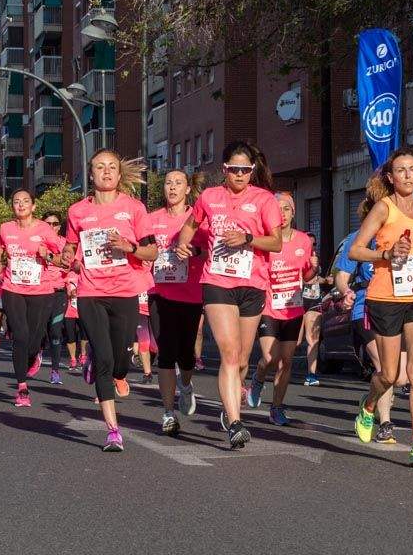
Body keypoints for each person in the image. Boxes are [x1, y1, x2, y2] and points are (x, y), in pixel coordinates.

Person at [176, 141, 282, 449]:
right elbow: (190, 225)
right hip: (217, 281)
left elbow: (275, 243)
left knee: (242, 362)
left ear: (252, 171)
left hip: (252, 284)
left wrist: (248, 239)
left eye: (245, 170)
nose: (239, 174)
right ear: (224, 169)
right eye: (233, 169)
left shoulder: (264, 200)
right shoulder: (210, 197)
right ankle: (236, 423)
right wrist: (184, 244)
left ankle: (230, 402)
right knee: (230, 354)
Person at [62, 149, 158, 452]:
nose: (106, 172)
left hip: (125, 291)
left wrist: (128, 247)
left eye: (112, 167)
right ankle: (113, 430)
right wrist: (67, 256)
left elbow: (152, 253)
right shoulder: (77, 211)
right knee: (104, 359)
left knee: (119, 360)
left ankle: (116, 373)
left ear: (119, 174)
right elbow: (69, 249)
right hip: (91, 293)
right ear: (90, 174)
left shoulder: (134, 208)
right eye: (100, 167)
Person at [349, 147, 413, 465]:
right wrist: (386, 256)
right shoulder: (383, 209)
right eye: (401, 170)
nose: (407, 175)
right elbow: (356, 251)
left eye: (412, 169)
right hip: (386, 297)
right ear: (390, 176)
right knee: (389, 374)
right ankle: (370, 404)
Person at [247, 191, 317, 426]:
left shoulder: (303, 241)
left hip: (293, 309)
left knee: (285, 361)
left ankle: (276, 408)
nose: (282, 214)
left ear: (293, 212)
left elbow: (307, 276)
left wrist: (314, 270)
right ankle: (258, 378)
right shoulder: (266, 240)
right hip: (268, 306)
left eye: (286, 209)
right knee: (269, 357)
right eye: (277, 209)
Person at [333, 200, 399, 444]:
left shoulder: (402, 236)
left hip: (397, 307)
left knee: (399, 376)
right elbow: (342, 276)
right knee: (384, 366)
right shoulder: (357, 239)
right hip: (366, 306)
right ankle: (385, 424)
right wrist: (345, 292)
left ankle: (369, 402)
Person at [146, 169, 205, 435]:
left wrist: (192, 251)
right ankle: (168, 413)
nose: (172, 188)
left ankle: (187, 385)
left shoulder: (198, 219)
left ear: (187, 189)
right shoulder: (152, 219)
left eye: (178, 183)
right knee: (166, 353)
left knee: (186, 354)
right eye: (168, 183)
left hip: (191, 294)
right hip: (159, 293)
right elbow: (144, 249)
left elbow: (209, 250)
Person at [0, 190, 65, 407]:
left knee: (34, 341)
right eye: (16, 201)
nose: (21, 205)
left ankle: (34, 355)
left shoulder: (44, 229)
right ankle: (22, 388)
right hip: (12, 288)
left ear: (33, 206)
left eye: (25, 201)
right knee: (21, 335)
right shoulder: (5, 228)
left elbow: (64, 260)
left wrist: (49, 256)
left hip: (41, 291)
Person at [40, 211, 69, 385]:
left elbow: (70, 265)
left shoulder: (66, 244)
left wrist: (72, 283)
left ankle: (55, 370)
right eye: (48, 223)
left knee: (56, 330)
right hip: (40, 292)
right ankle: (37, 351)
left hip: (58, 292)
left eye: (55, 223)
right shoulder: (37, 242)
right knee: (39, 331)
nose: (52, 227)